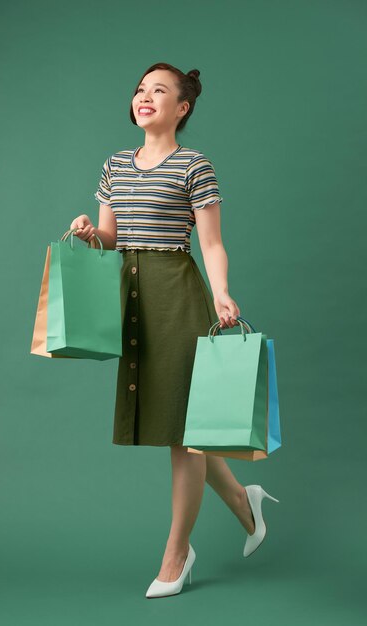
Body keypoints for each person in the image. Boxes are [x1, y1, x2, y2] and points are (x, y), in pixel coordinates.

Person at [70, 62, 278, 598]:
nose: (144, 97)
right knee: (177, 426)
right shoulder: (115, 164)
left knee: (184, 433)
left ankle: (176, 552)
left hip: (178, 295)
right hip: (132, 298)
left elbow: (210, 243)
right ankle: (242, 500)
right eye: (140, 89)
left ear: (182, 107)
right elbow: (112, 239)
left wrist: (222, 292)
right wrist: (91, 233)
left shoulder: (194, 166)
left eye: (159, 91)